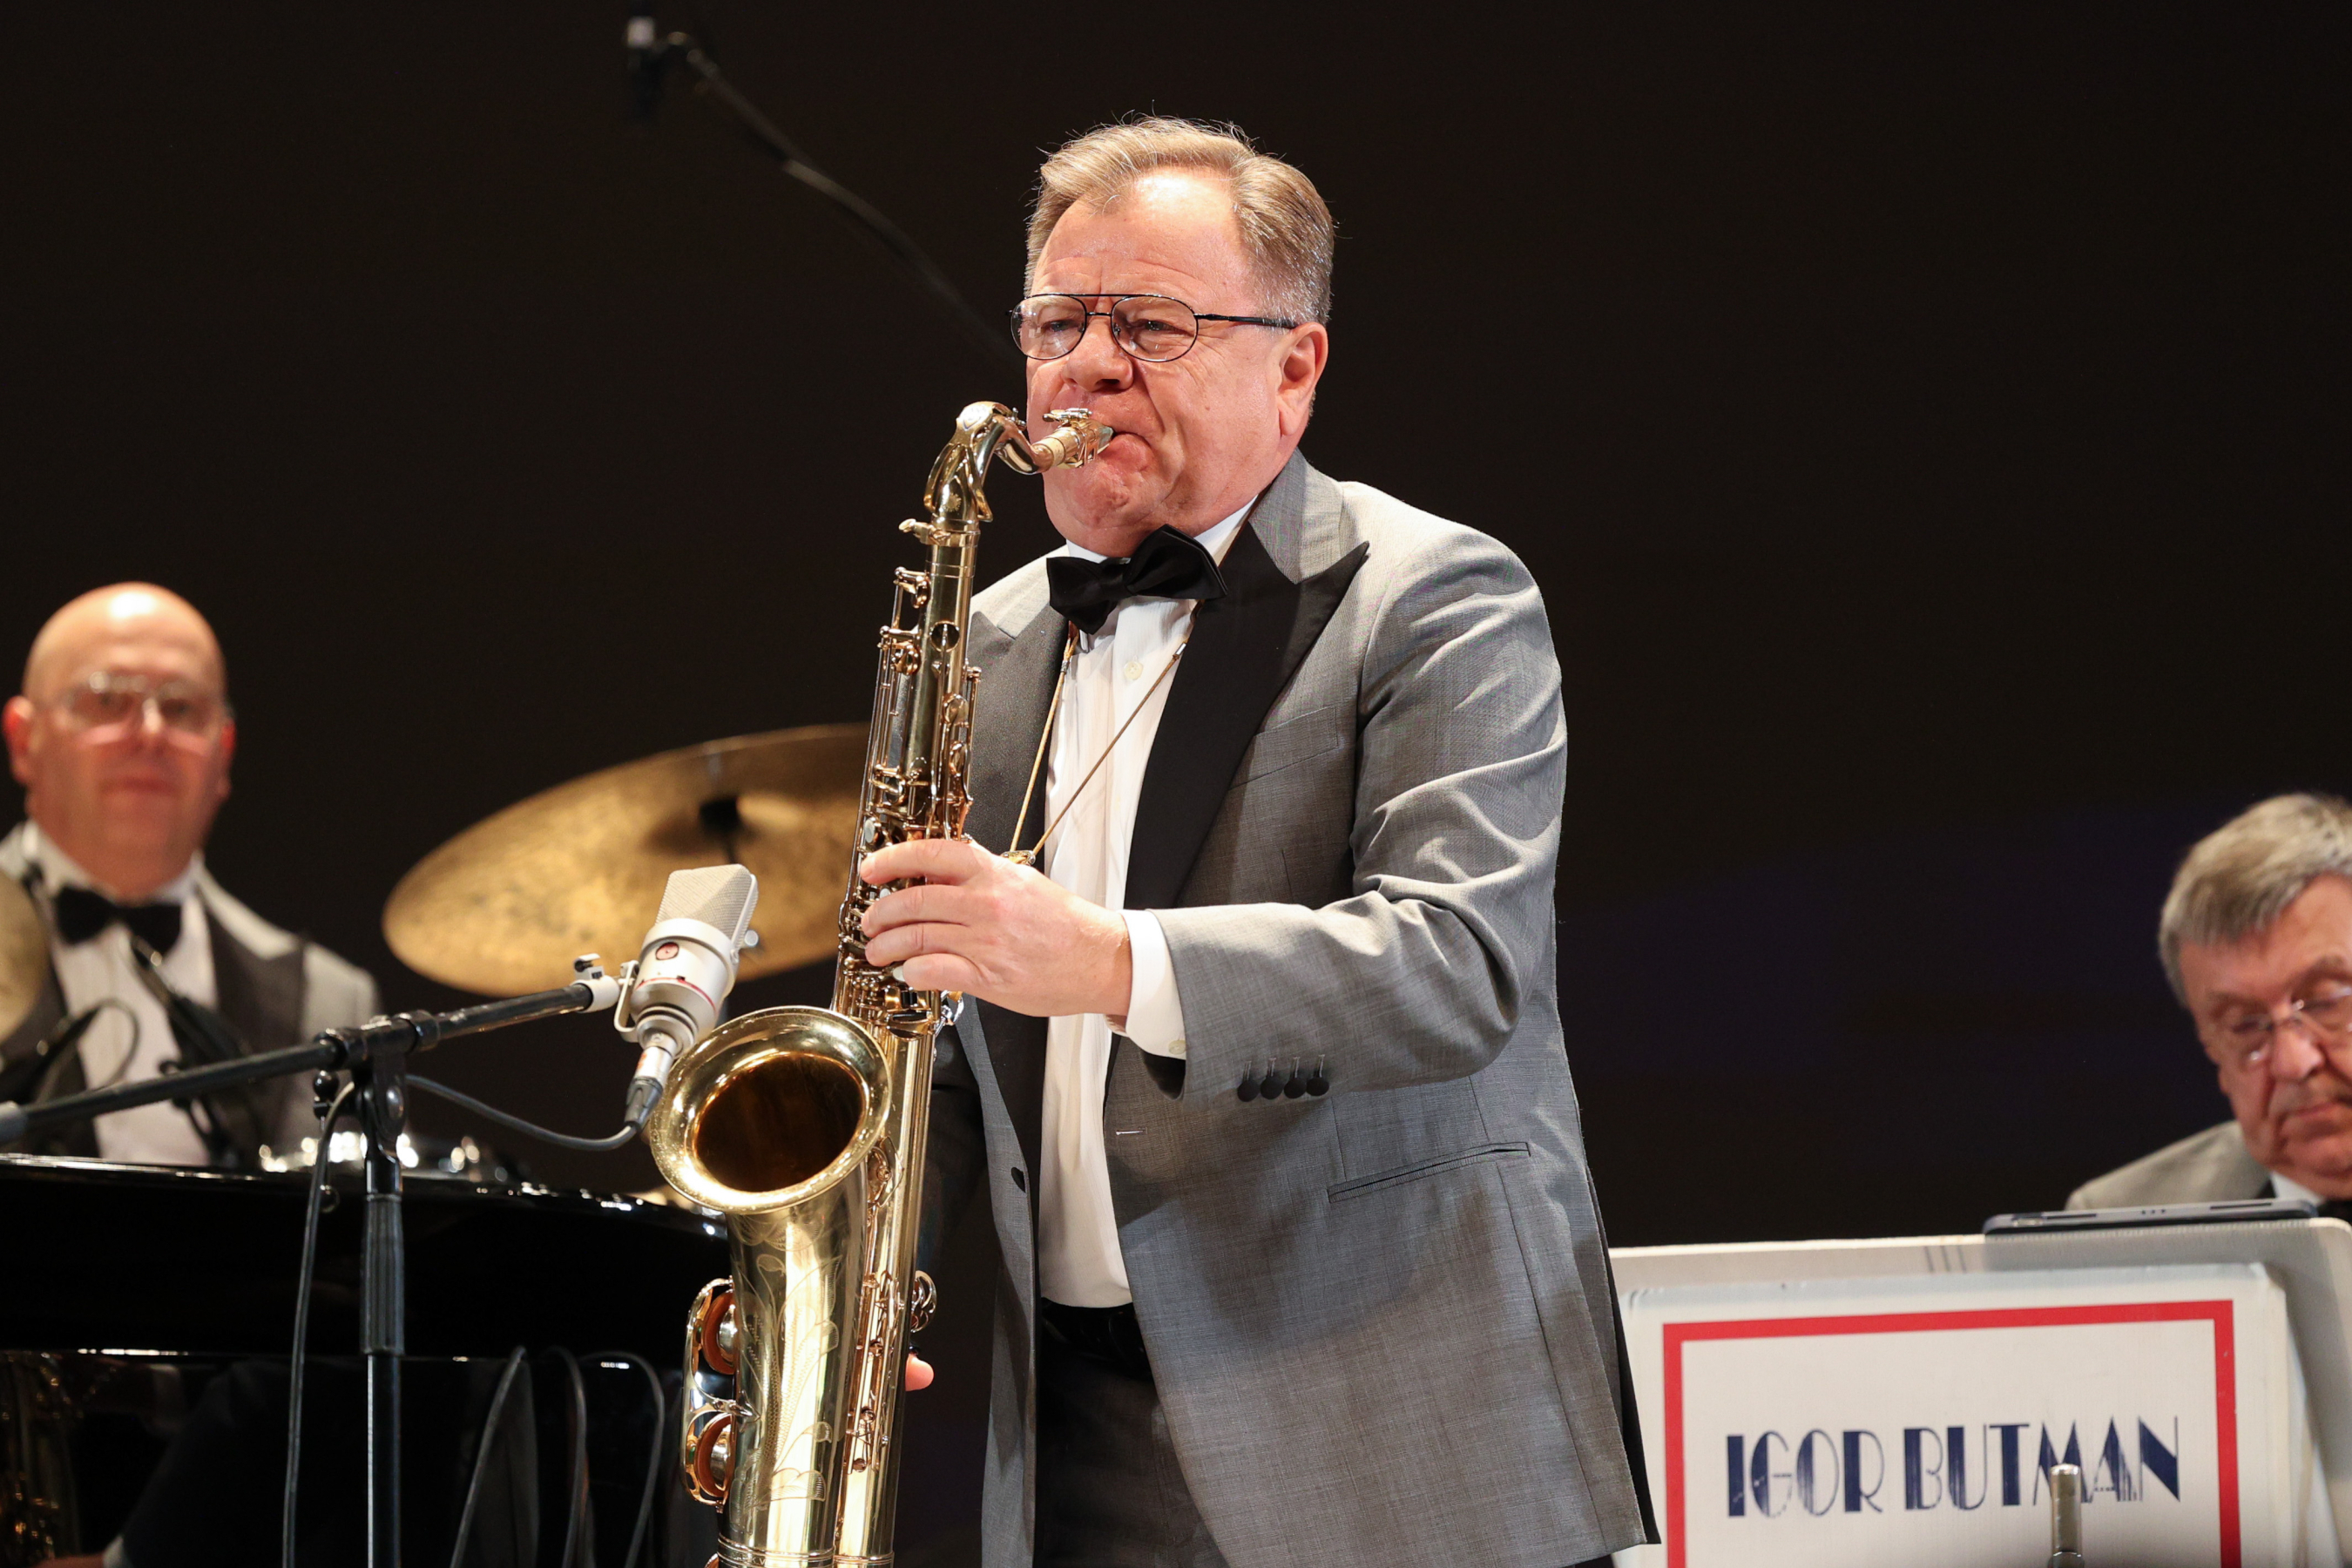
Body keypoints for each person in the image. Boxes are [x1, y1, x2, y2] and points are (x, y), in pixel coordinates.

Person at [855, 119, 1652, 1568]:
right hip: (1079, 1439)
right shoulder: (991, 638)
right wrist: (860, 1271)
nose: (1090, 366)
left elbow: (1455, 966)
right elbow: (943, 1039)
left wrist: (1104, 961)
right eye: (1057, 322)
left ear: (1296, 367)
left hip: (1385, 1425)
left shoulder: (1435, 596)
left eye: (1150, 325)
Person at [1, 583, 375, 1166]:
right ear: (25, 741)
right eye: (106, 700)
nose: (150, 733)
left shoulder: (329, 997)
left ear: (223, 752)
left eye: (181, 709)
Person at [2070, 794, 2352, 1212]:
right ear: (2212, 1051)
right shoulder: (2119, 1223)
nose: (2293, 1063)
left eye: (2325, 1002)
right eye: (2245, 1025)